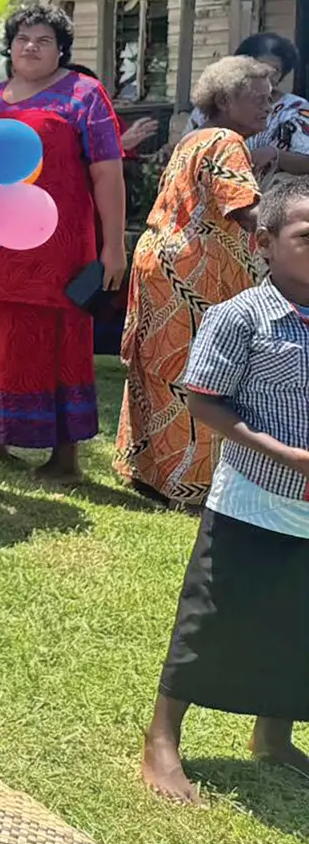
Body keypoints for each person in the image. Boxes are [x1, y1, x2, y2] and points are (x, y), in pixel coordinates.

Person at [139, 173, 309, 804]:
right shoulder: (240, 317)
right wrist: (284, 454)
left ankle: (274, 734)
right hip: (255, 498)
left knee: (297, 618)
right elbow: (205, 400)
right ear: (265, 244)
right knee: (212, 614)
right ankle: (162, 738)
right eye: (306, 237)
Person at [0, 8, 127, 480]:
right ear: (9, 46)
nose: (31, 46)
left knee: (60, 337)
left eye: (44, 39)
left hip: (58, 244)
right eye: (22, 38)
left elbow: (108, 173)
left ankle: (64, 457)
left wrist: (114, 246)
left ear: (61, 50)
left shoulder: (84, 95)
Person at [117, 55, 272, 506]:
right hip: (195, 272)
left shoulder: (194, 138)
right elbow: (245, 211)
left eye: (269, 98)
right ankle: (189, 485)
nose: (266, 107)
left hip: (159, 261)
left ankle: (147, 470)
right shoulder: (227, 141)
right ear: (224, 100)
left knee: (158, 367)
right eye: (257, 99)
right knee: (198, 373)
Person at [188, 31, 309, 179]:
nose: (267, 76)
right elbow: (188, 151)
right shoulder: (215, 103)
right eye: (260, 67)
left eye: (275, 70)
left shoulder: (295, 108)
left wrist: (276, 155)